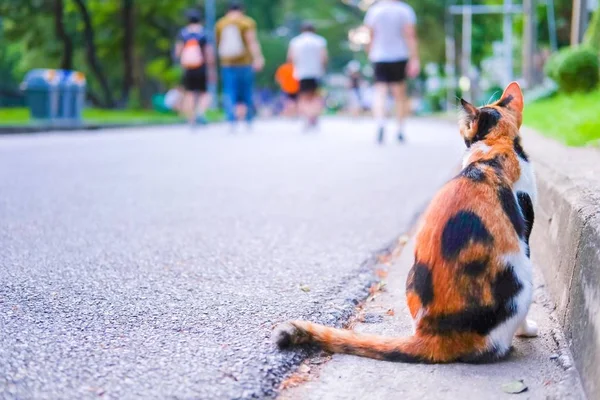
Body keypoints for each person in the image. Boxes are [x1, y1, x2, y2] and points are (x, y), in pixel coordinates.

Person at [364, 0, 420, 144]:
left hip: (379, 56)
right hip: (399, 56)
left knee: (380, 92)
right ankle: (400, 129)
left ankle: (381, 123)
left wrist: (369, 52)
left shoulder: (374, 10)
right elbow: (410, 35)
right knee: (399, 95)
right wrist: (414, 58)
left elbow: (370, 35)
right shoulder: (405, 10)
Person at [216, 2, 265, 128]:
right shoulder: (246, 22)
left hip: (227, 63)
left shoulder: (221, 23)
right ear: (242, 10)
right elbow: (251, 41)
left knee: (229, 91)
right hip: (245, 63)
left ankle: (231, 119)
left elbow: (218, 44)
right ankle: (248, 118)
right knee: (247, 91)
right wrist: (258, 58)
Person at [174, 9, 216, 127]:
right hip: (201, 67)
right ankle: (200, 113)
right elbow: (209, 53)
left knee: (189, 93)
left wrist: (181, 62)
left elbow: (178, 51)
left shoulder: (183, 33)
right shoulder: (204, 33)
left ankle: (191, 118)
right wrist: (211, 68)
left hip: (188, 67)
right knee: (205, 93)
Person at [288, 22, 328, 130]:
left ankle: (306, 116)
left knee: (303, 97)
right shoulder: (319, 41)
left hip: (301, 73)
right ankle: (313, 116)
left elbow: (290, 58)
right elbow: (324, 57)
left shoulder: (296, 41)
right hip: (316, 72)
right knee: (315, 96)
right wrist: (322, 69)